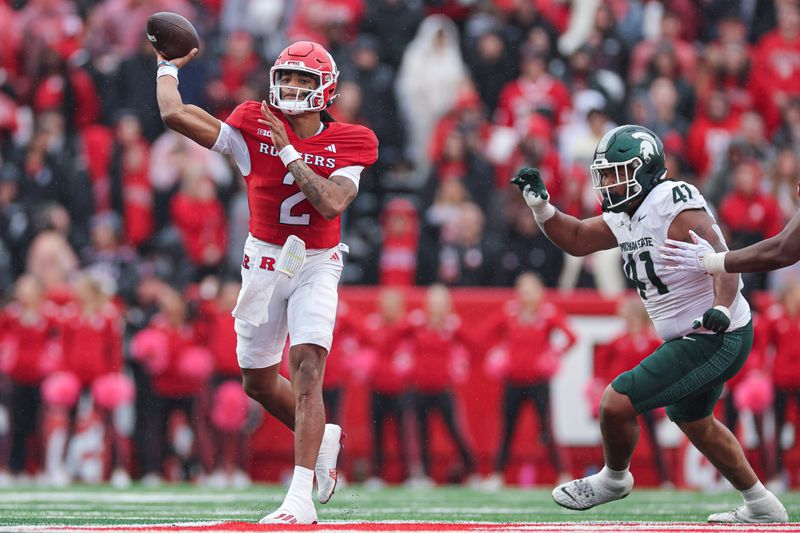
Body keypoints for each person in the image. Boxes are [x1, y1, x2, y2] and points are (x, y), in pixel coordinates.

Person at [511, 124, 787, 523]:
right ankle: (762, 505)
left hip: (714, 331)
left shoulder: (671, 204)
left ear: (645, 170)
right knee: (695, 421)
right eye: (603, 174)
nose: (607, 182)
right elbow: (576, 238)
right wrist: (542, 208)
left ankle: (614, 478)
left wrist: (722, 308)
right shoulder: (626, 213)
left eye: (614, 172)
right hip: (695, 333)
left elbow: (723, 259)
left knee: (616, 402)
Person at [154, 40, 378, 524]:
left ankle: (299, 501)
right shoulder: (252, 121)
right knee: (256, 381)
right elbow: (176, 116)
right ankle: (324, 441)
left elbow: (331, 204)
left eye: (305, 79)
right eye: (288, 77)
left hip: (317, 261)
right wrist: (167, 68)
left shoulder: (354, 139)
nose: (294, 87)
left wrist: (289, 150)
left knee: (308, 369)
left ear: (326, 89)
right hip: (264, 259)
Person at [483, 272, 576, 488]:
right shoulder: (510, 313)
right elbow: (485, 333)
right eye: (523, 290)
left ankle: (563, 473)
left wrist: (555, 354)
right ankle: (497, 474)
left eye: (531, 290)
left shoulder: (547, 314)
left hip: (538, 382)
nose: (527, 295)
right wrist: (499, 353)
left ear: (540, 292)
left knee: (547, 429)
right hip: (513, 381)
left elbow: (572, 337)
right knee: (508, 429)